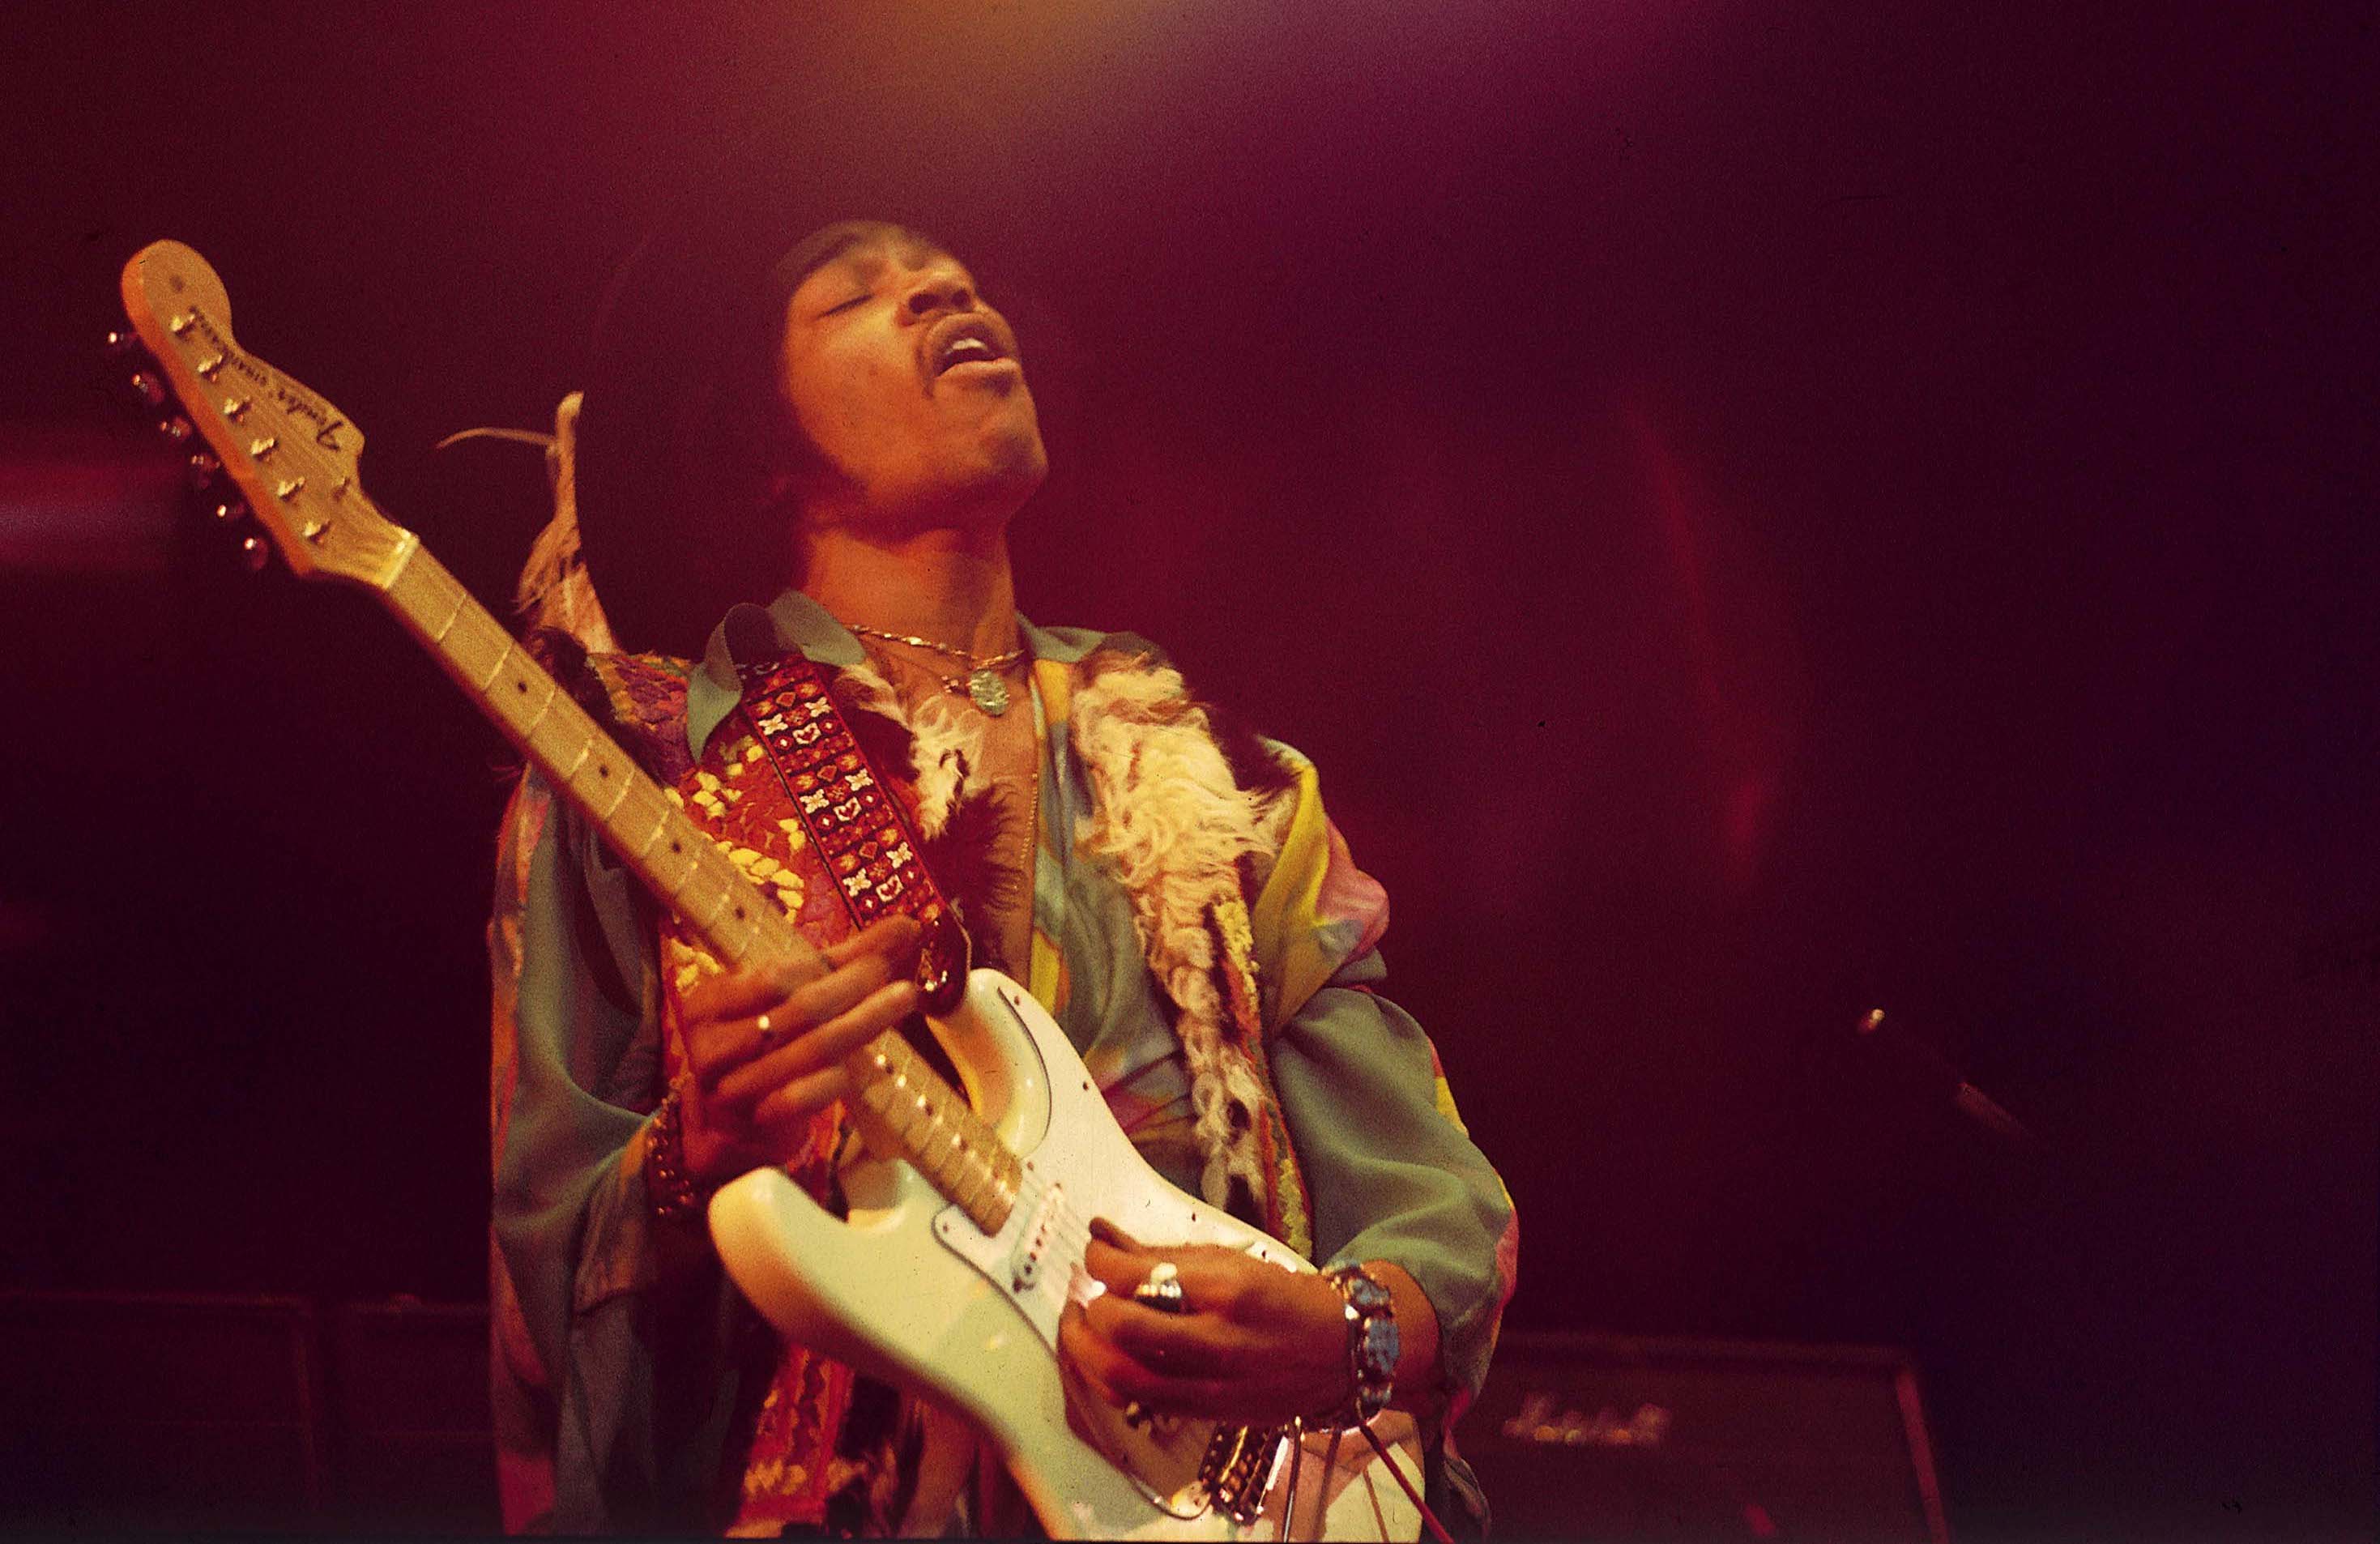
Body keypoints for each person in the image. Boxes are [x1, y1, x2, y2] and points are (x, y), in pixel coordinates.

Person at [486, 216, 1517, 1536]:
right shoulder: (634, 777)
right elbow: (541, 1283)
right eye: (857, 294)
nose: (936, 288)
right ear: (752, 448)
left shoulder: (1227, 775)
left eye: (955, 278)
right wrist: (698, 1164)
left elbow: (1419, 1181)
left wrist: (1358, 1329)